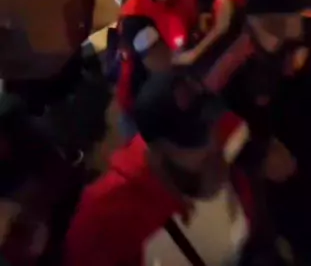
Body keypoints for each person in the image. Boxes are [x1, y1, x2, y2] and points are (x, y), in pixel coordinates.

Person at [64, 72, 254, 266]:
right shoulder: (105, 220)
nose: (212, 143)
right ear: (155, 153)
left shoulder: (226, 138)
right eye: (193, 138)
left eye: (210, 122)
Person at [116, 0, 199, 140]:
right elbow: (163, 65)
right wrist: (219, 31)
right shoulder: (134, 17)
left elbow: (194, 24)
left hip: (180, 89)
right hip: (144, 101)